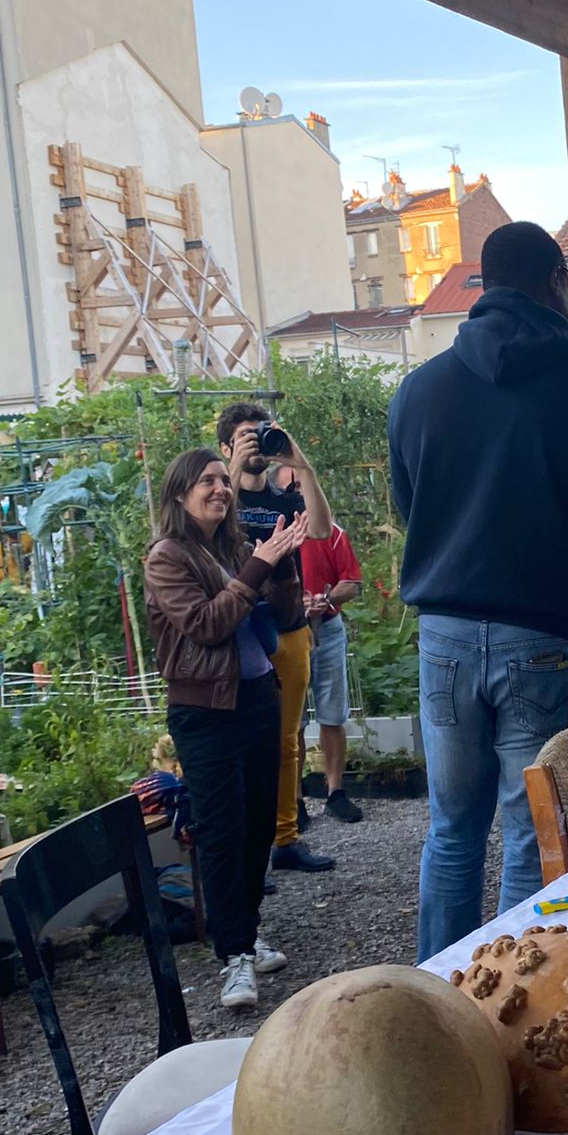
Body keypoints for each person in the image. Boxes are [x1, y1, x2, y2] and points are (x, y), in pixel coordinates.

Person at [388, 220, 568, 960]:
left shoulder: (418, 391)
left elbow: (411, 508)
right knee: (529, 832)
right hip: (542, 640)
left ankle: (437, 997)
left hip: (445, 636)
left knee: (451, 829)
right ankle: (510, 997)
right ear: (554, 283)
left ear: (485, 286)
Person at [143, 446, 305, 1011]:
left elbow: (286, 618)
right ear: (179, 493)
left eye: (223, 480)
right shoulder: (167, 557)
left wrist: (281, 568)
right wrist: (259, 568)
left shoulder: (234, 547)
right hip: (206, 710)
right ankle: (233, 954)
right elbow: (206, 625)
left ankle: (246, 935)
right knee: (221, 831)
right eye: (207, 481)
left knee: (258, 825)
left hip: (257, 698)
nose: (221, 488)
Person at [215, 403, 335, 874]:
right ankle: (249, 852)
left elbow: (321, 528)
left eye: (262, 432)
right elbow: (210, 534)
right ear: (225, 447)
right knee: (243, 744)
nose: (257, 443)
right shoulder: (220, 497)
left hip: (289, 628)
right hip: (241, 636)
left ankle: (284, 839)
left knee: (287, 742)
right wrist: (230, 471)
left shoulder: (283, 500)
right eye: (246, 436)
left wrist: (300, 463)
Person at [298, 510, 364, 824]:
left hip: (327, 627)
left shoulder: (331, 532)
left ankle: (336, 792)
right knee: (291, 722)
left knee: (333, 714)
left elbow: (352, 583)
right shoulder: (273, 529)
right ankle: (294, 800)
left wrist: (325, 598)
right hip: (287, 629)